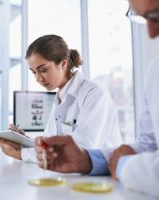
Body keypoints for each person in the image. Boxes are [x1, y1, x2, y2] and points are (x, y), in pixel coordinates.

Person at [35, 0, 159, 197]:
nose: (151, 33)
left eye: (156, 15)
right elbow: (149, 146)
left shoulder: (95, 94)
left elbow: (91, 145)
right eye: (143, 18)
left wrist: (123, 165)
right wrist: (89, 160)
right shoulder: (155, 70)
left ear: (63, 64)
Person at [0, 34, 123, 162]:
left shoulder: (95, 95)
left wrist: (21, 154)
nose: (38, 79)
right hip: (74, 175)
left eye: (43, 70)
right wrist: (24, 141)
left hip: (102, 177)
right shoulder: (60, 97)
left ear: (62, 64)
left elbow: (80, 151)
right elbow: (50, 142)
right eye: (34, 72)